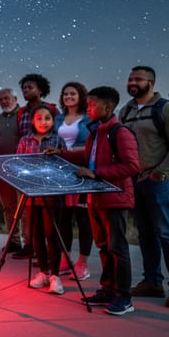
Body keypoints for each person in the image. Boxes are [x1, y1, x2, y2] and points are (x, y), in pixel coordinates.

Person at [51, 86, 140, 316]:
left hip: (114, 198)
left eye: (92, 105)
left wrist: (97, 173)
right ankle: (108, 289)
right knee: (103, 247)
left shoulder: (120, 132)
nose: (88, 109)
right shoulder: (95, 132)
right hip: (96, 198)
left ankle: (124, 297)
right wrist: (61, 154)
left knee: (117, 248)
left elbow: (131, 165)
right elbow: (85, 156)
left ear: (108, 107)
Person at [119, 65, 169, 309]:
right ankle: (152, 282)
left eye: (138, 79)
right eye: (130, 78)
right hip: (134, 181)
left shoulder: (167, 110)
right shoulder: (126, 111)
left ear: (151, 83)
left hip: (158, 181)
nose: (132, 82)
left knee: (167, 233)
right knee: (145, 234)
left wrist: (161, 172)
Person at [16, 105, 67, 295]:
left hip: (53, 193)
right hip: (32, 193)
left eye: (47, 118)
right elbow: (17, 164)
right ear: (32, 120)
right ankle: (43, 272)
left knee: (51, 234)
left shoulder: (57, 140)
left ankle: (55, 276)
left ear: (53, 121)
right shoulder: (25, 140)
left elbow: (64, 165)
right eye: (39, 118)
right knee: (36, 233)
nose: (43, 122)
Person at [11, 73, 58, 259]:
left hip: (47, 163)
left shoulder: (51, 109)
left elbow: (57, 132)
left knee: (47, 211)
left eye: (30, 87)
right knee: (27, 210)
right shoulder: (21, 112)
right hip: (26, 163)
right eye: (24, 88)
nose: (26, 91)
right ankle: (31, 244)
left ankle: (49, 250)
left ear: (40, 89)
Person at [55, 81, 93, 281]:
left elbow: (91, 145)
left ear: (81, 97)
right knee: (64, 217)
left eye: (73, 94)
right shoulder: (58, 118)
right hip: (62, 171)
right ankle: (65, 258)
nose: (68, 97)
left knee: (83, 218)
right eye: (65, 93)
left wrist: (70, 152)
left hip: (80, 171)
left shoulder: (88, 119)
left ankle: (83, 263)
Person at [0, 88, 26, 253]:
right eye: (1, 99)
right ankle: (13, 240)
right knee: (8, 207)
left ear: (15, 97)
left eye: (7, 98)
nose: (4, 102)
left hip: (21, 169)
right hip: (2, 169)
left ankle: (28, 242)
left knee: (24, 207)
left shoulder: (24, 116)